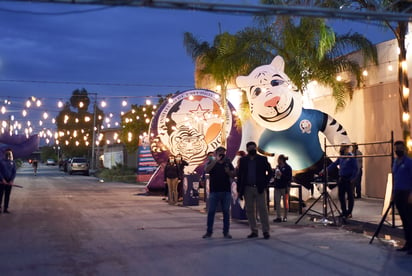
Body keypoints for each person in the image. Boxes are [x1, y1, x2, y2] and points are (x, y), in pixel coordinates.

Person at [237, 141, 272, 239]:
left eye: (254, 148)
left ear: (256, 149)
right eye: (250, 148)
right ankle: (254, 230)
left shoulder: (262, 159)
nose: (252, 150)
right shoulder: (243, 160)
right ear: (247, 149)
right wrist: (240, 190)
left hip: (259, 188)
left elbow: (270, 172)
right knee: (250, 210)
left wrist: (265, 183)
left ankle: (265, 231)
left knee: (263, 209)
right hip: (247, 188)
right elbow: (240, 175)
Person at [203, 146, 235, 239]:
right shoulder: (212, 161)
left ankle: (226, 232)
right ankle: (209, 232)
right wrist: (215, 160)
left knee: (226, 212)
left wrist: (228, 172)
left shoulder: (228, 162)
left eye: (223, 152)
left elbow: (233, 174)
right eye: (220, 152)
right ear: (216, 152)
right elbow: (207, 170)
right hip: (214, 191)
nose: (222, 153)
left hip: (226, 191)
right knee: (211, 212)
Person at [321, 144, 358, 219]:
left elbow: (355, 169)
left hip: (349, 179)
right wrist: (325, 170)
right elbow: (334, 164)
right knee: (341, 196)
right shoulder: (341, 157)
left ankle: (349, 212)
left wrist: (352, 178)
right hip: (341, 178)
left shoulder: (351, 157)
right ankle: (344, 212)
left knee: (350, 196)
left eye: (343, 148)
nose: (342, 150)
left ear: (347, 149)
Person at [392, 140, 412, 254]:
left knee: (410, 220)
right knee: (404, 220)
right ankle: (407, 243)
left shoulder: (409, 162)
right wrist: (393, 194)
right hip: (398, 193)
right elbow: (395, 178)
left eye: (399, 148)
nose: (397, 150)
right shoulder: (395, 162)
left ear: (404, 149)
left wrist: (411, 194)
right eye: (396, 148)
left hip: (407, 193)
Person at [273, 154, 292, 223]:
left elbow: (289, 178)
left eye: (279, 159)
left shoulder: (288, 168)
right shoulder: (277, 167)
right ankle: (278, 216)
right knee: (277, 202)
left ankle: (285, 216)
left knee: (285, 202)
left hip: (285, 187)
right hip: (277, 186)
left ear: (281, 160)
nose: (278, 161)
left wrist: (282, 175)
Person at [0, 149, 17, 214]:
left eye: (10, 153)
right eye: (7, 153)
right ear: (5, 153)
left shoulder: (13, 162)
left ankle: (5, 208)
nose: (9, 154)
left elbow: (14, 172)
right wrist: (2, 179)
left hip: (9, 181)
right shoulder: (1, 162)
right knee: (0, 195)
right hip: (2, 181)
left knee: (7, 195)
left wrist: (11, 180)